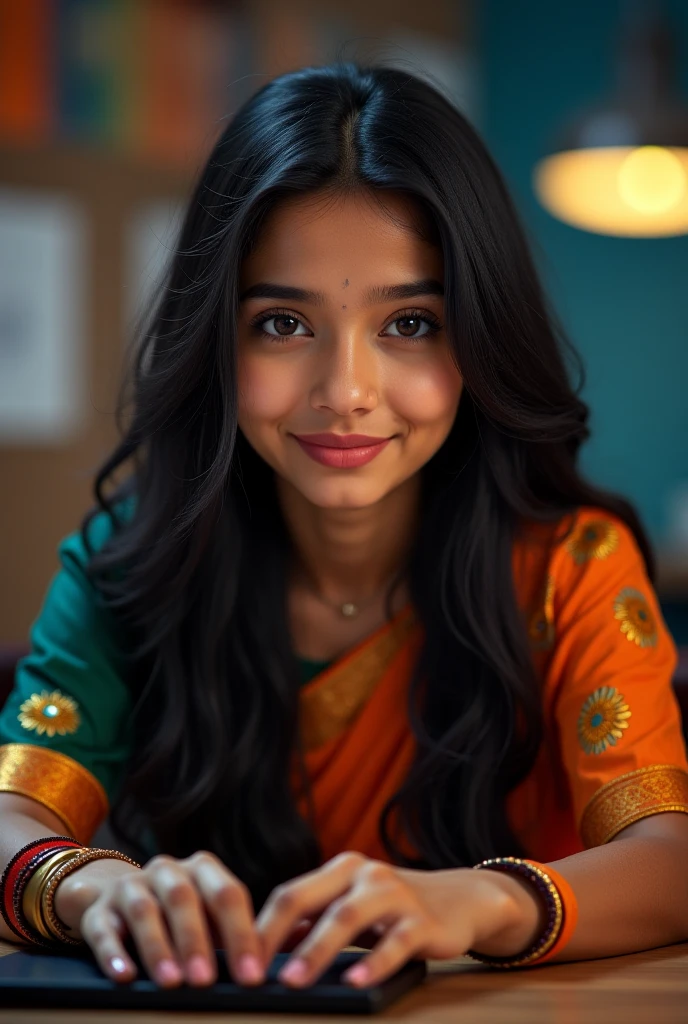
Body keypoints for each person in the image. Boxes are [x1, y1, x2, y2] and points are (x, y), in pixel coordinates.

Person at [1, 62, 687, 993]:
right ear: (216, 339)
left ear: (481, 336)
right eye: (283, 323)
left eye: (409, 324)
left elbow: (671, 856)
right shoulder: (133, 562)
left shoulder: (571, 565)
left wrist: (475, 903)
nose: (347, 393)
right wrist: (86, 884)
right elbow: (13, 812)